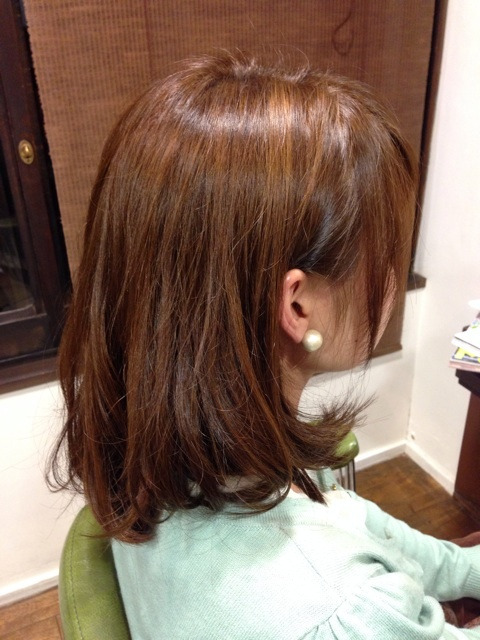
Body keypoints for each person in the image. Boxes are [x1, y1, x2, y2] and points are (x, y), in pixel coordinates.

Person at [51, 52, 480, 639]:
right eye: (385, 253)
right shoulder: (343, 613)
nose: (393, 277)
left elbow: (351, 516)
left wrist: (465, 568)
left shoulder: (164, 458)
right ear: (298, 306)